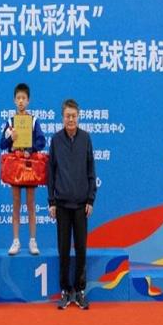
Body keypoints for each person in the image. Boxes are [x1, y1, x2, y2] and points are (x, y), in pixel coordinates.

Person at [48, 99, 96, 310]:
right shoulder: (56, 140)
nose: (70, 119)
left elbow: (91, 171)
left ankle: (80, 290)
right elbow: (51, 173)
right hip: (61, 205)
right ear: (62, 117)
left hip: (81, 205)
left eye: (74, 116)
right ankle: (66, 291)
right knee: (64, 249)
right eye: (67, 116)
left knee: (81, 249)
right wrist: (51, 201)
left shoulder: (85, 138)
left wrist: (90, 199)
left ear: (78, 117)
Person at [0, 83, 46, 256]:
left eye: (23, 98)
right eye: (18, 98)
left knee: (31, 205)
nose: (20, 101)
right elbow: (2, 144)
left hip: (29, 166)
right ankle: (16, 241)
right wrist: (10, 138)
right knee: (16, 204)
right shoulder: (10, 122)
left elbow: (42, 141)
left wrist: (30, 149)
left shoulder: (33, 120)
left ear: (28, 101)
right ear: (14, 100)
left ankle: (33, 241)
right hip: (15, 167)